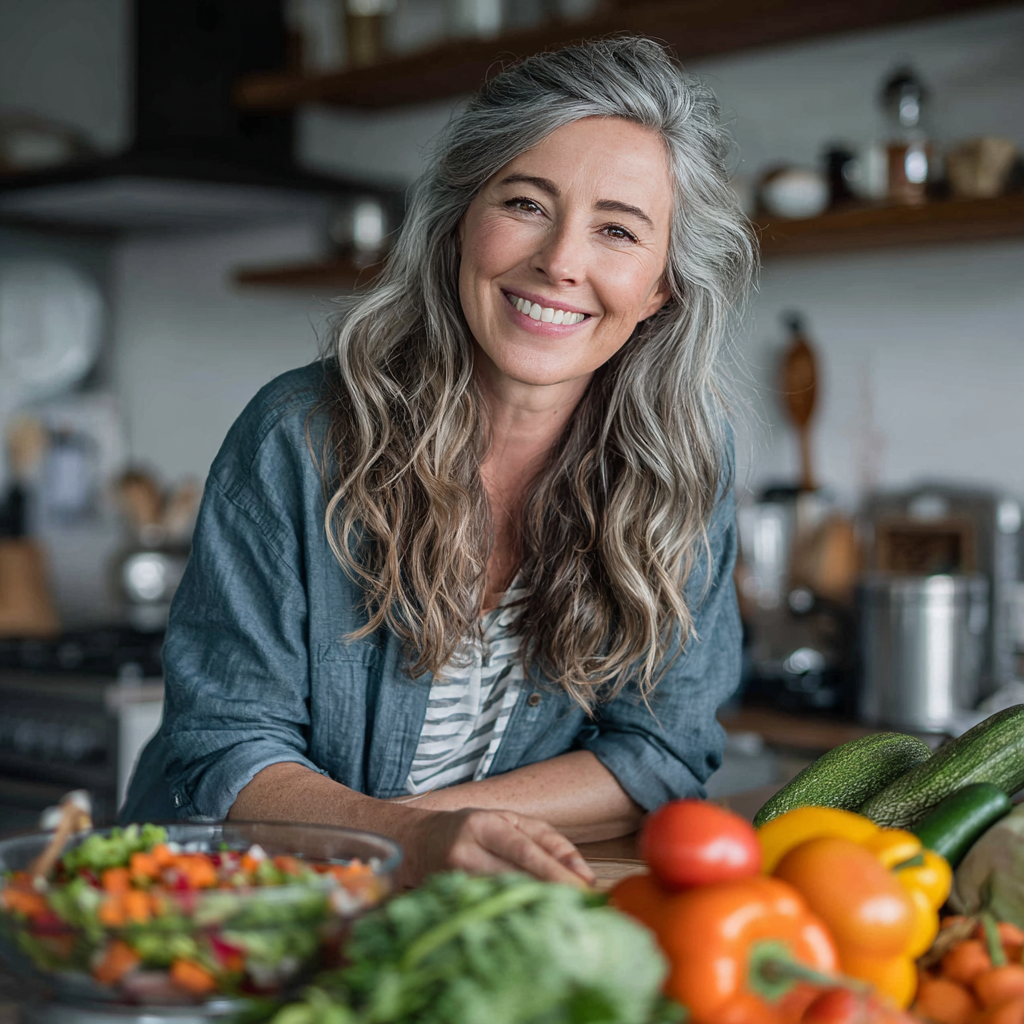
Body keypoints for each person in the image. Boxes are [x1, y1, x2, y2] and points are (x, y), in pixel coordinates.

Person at [123, 36, 755, 887]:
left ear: (661, 289)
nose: (562, 262)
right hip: (222, 909)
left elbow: (663, 752)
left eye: (617, 230)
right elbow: (227, 751)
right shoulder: (300, 434)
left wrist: (428, 836)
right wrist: (414, 843)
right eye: (527, 204)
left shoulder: (684, 468)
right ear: (460, 221)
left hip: (446, 915)